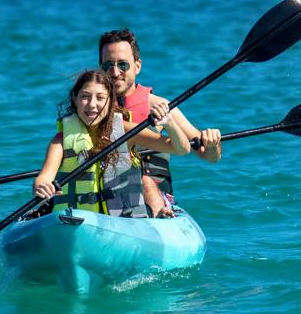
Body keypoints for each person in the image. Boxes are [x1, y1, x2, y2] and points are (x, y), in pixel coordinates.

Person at [33, 69, 191, 219]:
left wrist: (170, 124)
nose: (92, 104)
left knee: (147, 182)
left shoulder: (127, 131)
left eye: (100, 98)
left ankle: (158, 211)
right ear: (75, 99)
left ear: (110, 101)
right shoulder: (61, 140)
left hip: (125, 218)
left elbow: (182, 149)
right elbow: (44, 177)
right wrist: (42, 186)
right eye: (85, 97)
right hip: (77, 219)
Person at [98, 28, 222, 205]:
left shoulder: (161, 107)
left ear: (137, 66)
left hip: (155, 194)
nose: (115, 72)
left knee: (146, 182)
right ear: (100, 68)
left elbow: (209, 156)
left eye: (123, 65)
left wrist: (212, 145)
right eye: (108, 65)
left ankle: (160, 211)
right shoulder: (91, 109)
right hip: (109, 195)